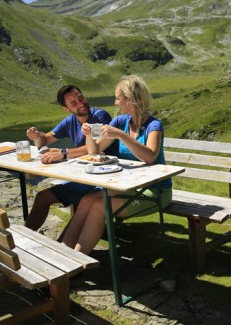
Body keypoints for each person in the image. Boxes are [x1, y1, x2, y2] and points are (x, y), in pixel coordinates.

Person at [61, 75, 172, 255]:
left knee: (99, 206)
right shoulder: (121, 121)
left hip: (155, 190)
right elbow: (95, 152)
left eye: (118, 98)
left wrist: (121, 135)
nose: (115, 102)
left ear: (129, 100)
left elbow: (150, 156)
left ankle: (77, 261)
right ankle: (61, 252)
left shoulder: (154, 125)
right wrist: (89, 133)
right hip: (129, 186)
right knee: (87, 199)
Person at [24, 85, 117, 231]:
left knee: (80, 203)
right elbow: (46, 140)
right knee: (42, 198)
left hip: (102, 178)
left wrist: (63, 153)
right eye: (73, 103)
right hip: (82, 177)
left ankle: (67, 246)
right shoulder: (69, 121)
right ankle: (23, 238)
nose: (80, 103)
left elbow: (95, 149)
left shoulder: (99, 116)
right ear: (66, 108)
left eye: (80, 97)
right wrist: (37, 136)